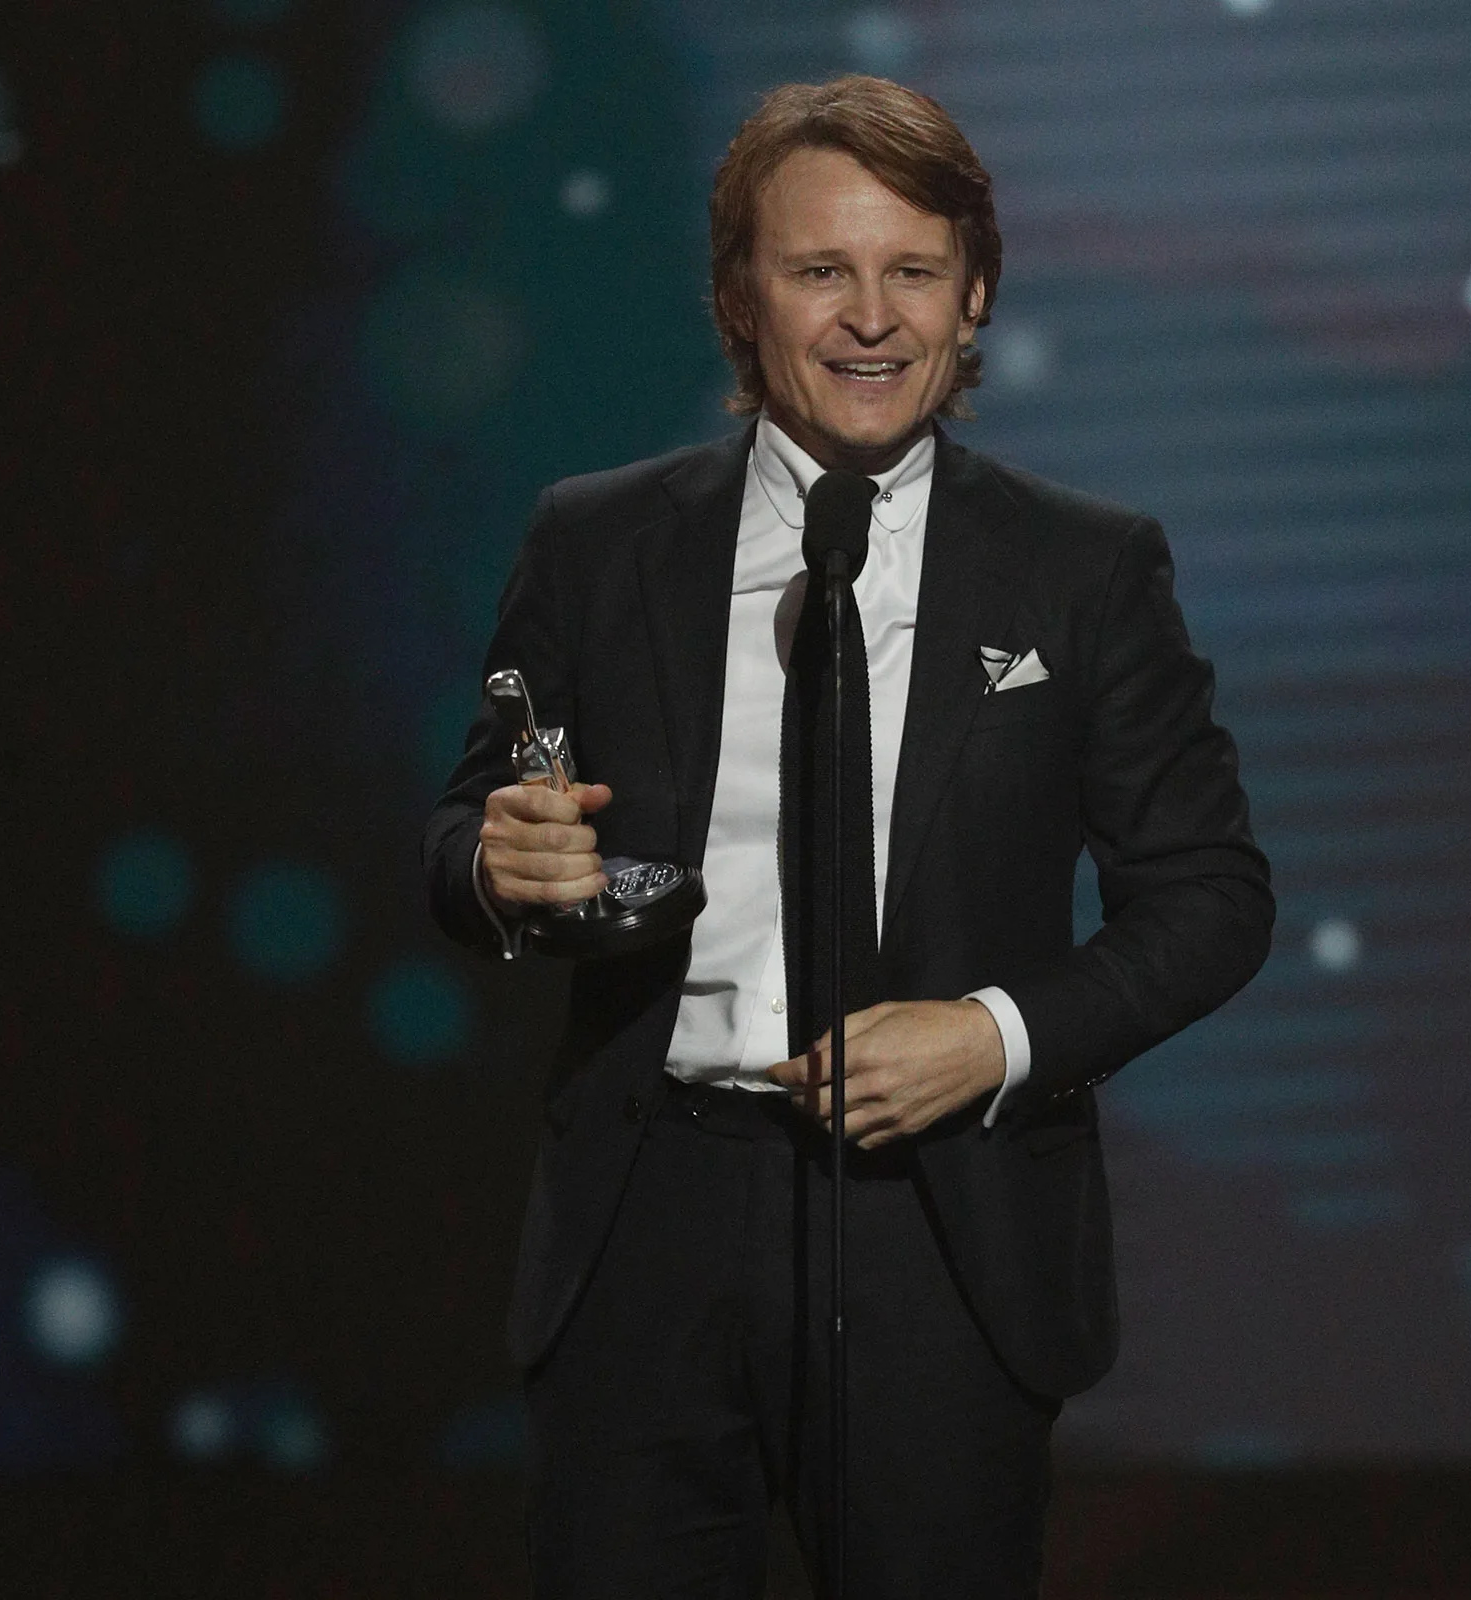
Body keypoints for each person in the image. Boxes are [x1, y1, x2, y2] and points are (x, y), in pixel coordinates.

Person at [424, 75, 1272, 1598]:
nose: (871, 316)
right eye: (822, 270)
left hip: (940, 1233)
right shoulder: (597, 541)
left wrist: (994, 1036)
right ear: (742, 299)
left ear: (976, 295)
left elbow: (1209, 897)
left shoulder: (1084, 571)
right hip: (649, 1222)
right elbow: (474, 820)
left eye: (914, 271)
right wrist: (499, 866)